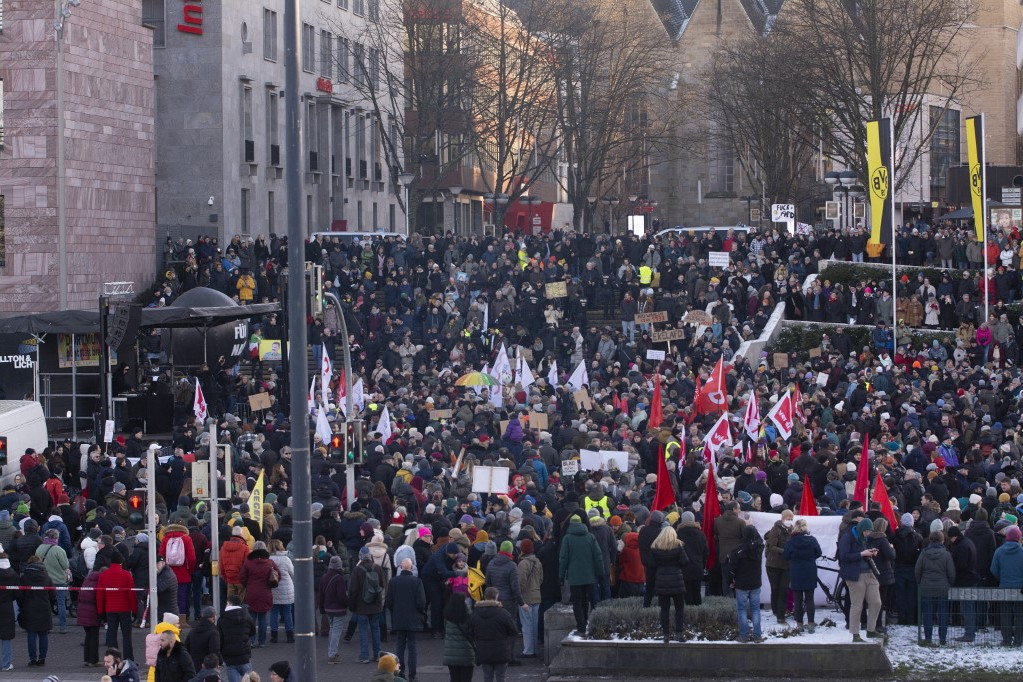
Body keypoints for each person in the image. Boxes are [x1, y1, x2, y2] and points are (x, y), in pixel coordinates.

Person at [838, 517, 882, 642]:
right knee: (857, 605)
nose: (868, 534)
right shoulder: (847, 538)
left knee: (876, 602)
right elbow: (844, 556)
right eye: (867, 531)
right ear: (862, 529)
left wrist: (872, 552)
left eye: (870, 532)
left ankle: (871, 630)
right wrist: (861, 554)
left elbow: (865, 551)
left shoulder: (866, 539)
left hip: (869, 573)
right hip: (854, 575)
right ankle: (855, 634)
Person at [559, 515, 604, 632]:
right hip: (589, 576)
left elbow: (563, 559)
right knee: (585, 600)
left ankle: (581, 626)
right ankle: (585, 621)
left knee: (577, 602)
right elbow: (598, 556)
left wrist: (561, 575)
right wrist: (601, 572)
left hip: (574, 577)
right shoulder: (590, 537)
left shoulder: (567, 538)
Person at [385, 557, 426, 682]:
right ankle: (412, 675)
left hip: (399, 619)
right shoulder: (417, 582)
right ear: (411, 567)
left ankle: (400, 672)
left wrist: (395, 611)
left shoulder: (393, 582)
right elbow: (421, 603)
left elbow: (389, 602)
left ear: (401, 567)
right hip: (413, 619)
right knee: (412, 647)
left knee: (399, 646)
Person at [484, 540, 523, 665]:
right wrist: (522, 602)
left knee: (495, 630)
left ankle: (495, 655)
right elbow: (515, 587)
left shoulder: (491, 563)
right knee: (510, 630)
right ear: (511, 551)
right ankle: (510, 657)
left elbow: (487, 582)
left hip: (494, 601)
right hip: (509, 602)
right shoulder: (512, 565)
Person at [468, 587, 518, 682]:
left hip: (483, 650)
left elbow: (470, 631)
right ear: (496, 596)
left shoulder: (475, 613)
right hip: (501, 651)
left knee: (487, 676)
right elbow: (513, 631)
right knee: (500, 677)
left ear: (485, 596)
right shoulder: (503, 613)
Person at [348, 545, 388, 664]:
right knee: (376, 630)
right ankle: (377, 654)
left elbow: (353, 590)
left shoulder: (357, 570)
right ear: (370, 556)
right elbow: (384, 585)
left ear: (360, 557)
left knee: (363, 630)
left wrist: (352, 605)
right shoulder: (378, 568)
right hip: (376, 605)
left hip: (361, 606)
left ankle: (364, 656)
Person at [915, 531, 955, 646]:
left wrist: (920, 583)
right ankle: (942, 638)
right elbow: (951, 573)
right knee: (943, 614)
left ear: (930, 540)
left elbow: (917, 571)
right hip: (943, 588)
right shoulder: (946, 554)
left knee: (927, 613)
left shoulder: (923, 553)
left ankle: (928, 638)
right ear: (942, 540)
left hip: (926, 587)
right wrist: (949, 584)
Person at [650, 526, 689, 642]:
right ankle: (679, 633)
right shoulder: (678, 546)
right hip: (677, 579)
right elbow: (686, 561)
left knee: (664, 609)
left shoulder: (656, 547)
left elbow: (652, 564)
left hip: (661, 579)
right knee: (679, 608)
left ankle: (666, 634)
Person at [783, 519, 822, 632]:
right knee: (810, 599)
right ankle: (810, 624)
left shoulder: (791, 542)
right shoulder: (812, 540)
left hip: (796, 571)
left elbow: (785, 556)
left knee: (798, 599)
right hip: (810, 570)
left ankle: (799, 624)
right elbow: (818, 553)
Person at [728, 525, 764, 643]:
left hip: (741, 584)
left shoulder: (737, 551)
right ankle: (757, 636)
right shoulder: (759, 548)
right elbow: (760, 540)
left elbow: (732, 568)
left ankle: (744, 636)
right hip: (755, 583)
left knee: (742, 609)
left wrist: (730, 581)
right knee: (755, 609)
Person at [990, 525, 1023, 646]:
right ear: (1018, 538)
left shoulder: (999, 551)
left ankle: (1006, 639)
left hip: (1004, 586)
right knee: (1020, 615)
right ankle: (1019, 640)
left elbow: (993, 569)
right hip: (1020, 589)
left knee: (1005, 614)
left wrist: (1002, 579)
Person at [18, 554, 53, 667]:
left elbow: (20, 595)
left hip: (29, 608)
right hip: (44, 608)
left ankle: (32, 659)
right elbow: (53, 595)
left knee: (31, 634)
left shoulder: (24, 577)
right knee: (43, 634)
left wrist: (22, 606)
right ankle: (42, 658)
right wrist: (49, 604)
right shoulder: (46, 577)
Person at [238, 541, 274, 647]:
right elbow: (277, 576)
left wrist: (248, 584)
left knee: (251, 618)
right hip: (265, 592)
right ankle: (262, 642)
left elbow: (242, 577)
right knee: (263, 618)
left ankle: (251, 641)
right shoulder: (270, 562)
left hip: (251, 592)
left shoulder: (248, 562)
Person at [35, 528, 70, 633]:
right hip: (59, 580)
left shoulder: (39, 548)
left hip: (44, 580)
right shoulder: (59, 550)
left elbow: (37, 563)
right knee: (61, 603)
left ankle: (47, 626)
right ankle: (62, 627)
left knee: (46, 603)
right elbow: (65, 565)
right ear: (56, 538)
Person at [317, 555, 349, 664]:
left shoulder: (324, 577)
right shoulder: (339, 578)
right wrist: (348, 603)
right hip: (338, 609)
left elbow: (321, 595)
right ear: (339, 566)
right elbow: (341, 596)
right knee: (336, 631)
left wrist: (322, 609)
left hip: (328, 608)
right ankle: (332, 654)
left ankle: (332, 652)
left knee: (332, 629)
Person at [763, 509, 792, 624]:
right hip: (773, 565)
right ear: (782, 519)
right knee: (775, 589)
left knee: (783, 590)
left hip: (786, 565)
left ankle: (781, 616)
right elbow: (771, 547)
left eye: (791, 518)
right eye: (788, 518)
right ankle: (776, 610)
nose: (790, 521)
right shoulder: (776, 529)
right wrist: (784, 551)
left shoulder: (791, 530)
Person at [218, 595, 255, 682]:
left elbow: (220, 639)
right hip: (244, 655)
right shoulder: (247, 616)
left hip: (230, 658)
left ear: (229, 603)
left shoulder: (222, 619)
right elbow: (253, 632)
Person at [516, 539, 543, 657]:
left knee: (526, 624)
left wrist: (519, 594)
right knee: (534, 624)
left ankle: (528, 650)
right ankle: (534, 649)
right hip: (537, 595)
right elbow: (541, 579)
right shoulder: (538, 562)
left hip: (526, 597)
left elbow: (520, 581)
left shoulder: (523, 564)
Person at [714, 501, 746, 598]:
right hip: (738, 555)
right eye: (739, 508)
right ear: (733, 509)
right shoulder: (740, 522)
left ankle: (727, 603)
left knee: (725, 579)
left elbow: (715, 534)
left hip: (724, 555)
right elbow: (745, 537)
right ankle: (738, 602)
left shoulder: (717, 521)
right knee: (739, 579)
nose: (740, 510)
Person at [442, 593, 476, 682]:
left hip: (450, 653)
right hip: (466, 653)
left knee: (454, 678)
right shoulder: (467, 616)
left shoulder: (447, 617)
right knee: (466, 679)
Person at [267, 539, 295, 644]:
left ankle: (274, 636)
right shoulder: (286, 559)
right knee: (287, 612)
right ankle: (290, 635)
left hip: (273, 588)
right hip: (286, 588)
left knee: (274, 612)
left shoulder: (269, 559)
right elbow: (293, 573)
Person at [185, 606, 221, 671]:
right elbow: (215, 651)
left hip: (194, 666)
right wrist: (220, 662)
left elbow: (186, 647)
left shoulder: (193, 631)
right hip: (208, 666)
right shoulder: (213, 633)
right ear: (213, 617)